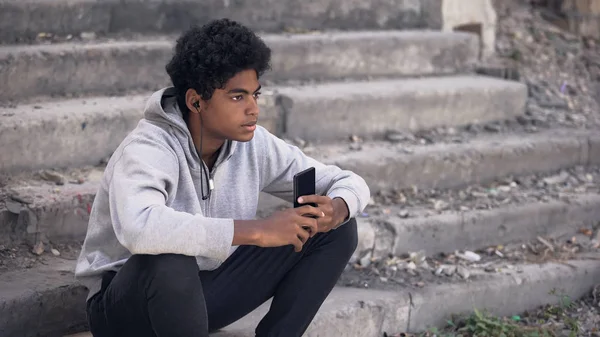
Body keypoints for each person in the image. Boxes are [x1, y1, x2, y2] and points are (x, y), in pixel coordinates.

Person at [75, 18, 370, 337]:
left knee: (336, 230)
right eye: (237, 97)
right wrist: (256, 231)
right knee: (171, 261)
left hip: (203, 296)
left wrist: (337, 208)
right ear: (195, 101)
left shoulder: (254, 144)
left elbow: (346, 181)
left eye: (255, 95)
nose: (253, 109)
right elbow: (140, 229)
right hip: (127, 308)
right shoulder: (148, 148)